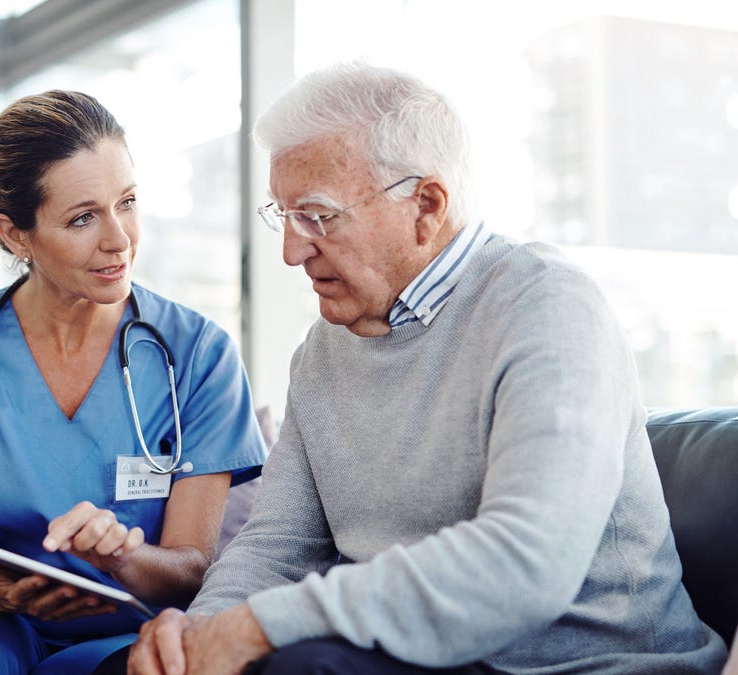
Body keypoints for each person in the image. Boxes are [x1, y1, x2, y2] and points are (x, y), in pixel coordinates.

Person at [125, 62, 729, 674]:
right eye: (283, 216)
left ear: (426, 205)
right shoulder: (322, 351)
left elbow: (527, 562)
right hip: (413, 660)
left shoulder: (548, 305)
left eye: (317, 215)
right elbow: (277, 546)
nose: (291, 250)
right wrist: (199, 636)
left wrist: (262, 626)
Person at [0, 89, 266, 675]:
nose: (119, 239)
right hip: (4, 626)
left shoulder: (198, 353)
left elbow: (191, 567)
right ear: (15, 234)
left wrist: (122, 560)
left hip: (134, 629)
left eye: (127, 203)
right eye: (83, 218)